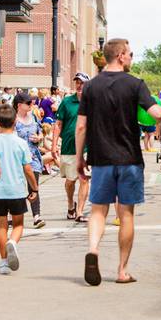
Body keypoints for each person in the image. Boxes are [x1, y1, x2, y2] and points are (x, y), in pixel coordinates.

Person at [76, 38, 161, 286]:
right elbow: (157, 113)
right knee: (126, 215)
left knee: (98, 210)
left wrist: (79, 159)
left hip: (100, 158)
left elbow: (81, 125)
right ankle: (122, 270)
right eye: (131, 54)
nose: (132, 58)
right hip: (128, 159)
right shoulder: (135, 84)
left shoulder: (91, 87)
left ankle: (93, 250)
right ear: (122, 55)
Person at [0, 104, 39, 275]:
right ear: (15, 121)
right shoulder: (21, 143)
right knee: (18, 224)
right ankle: (13, 242)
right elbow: (28, 169)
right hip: (17, 191)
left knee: (1, 227)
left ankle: (3, 262)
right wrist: (34, 188)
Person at [53, 72, 91, 222]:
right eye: (77, 82)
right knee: (70, 181)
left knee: (84, 179)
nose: (80, 85)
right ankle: (71, 205)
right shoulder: (67, 102)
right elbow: (58, 124)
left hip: (87, 148)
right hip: (69, 148)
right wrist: (54, 145)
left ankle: (80, 212)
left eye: (82, 82)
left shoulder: (93, 103)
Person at [13, 92, 45, 228]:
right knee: (17, 187)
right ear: (19, 105)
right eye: (28, 103)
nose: (32, 104)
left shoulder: (34, 117)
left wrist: (39, 138)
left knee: (33, 186)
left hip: (33, 157)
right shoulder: (13, 120)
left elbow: (41, 131)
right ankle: (12, 216)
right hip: (17, 159)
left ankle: (36, 217)